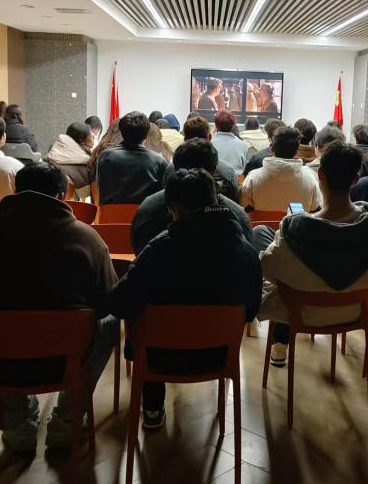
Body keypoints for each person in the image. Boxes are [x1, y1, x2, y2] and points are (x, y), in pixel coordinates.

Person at [0, 163, 119, 452]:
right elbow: (107, 300)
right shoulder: (86, 239)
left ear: (15, 190)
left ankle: (16, 423)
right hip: (66, 360)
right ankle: (68, 418)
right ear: (61, 195)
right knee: (108, 323)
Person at [105, 169, 262, 428]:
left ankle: (153, 409)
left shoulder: (158, 250)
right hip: (219, 355)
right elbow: (251, 310)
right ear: (216, 201)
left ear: (174, 209)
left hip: (158, 358)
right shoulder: (245, 250)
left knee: (145, 317)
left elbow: (120, 303)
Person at [258, 142, 368, 366]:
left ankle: (280, 344)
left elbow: (269, 270)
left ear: (320, 174)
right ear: (355, 179)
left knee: (262, 236)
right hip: (354, 310)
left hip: (300, 312)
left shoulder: (295, 227)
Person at [133, 140, 253, 253]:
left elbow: (139, 251)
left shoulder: (149, 208)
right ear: (213, 171)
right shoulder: (237, 214)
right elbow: (248, 257)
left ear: (175, 168)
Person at [241, 126, 322, 213]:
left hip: (261, 222)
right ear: (296, 152)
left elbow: (244, 206)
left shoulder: (253, 178)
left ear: (272, 151)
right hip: (297, 222)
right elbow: (316, 208)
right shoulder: (310, 179)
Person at [97, 112, 169, 205]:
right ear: (146, 136)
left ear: (121, 133)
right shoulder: (159, 161)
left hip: (109, 213)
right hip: (145, 213)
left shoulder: (105, 156)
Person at [163, 115, 239, 201]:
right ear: (209, 137)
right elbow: (234, 198)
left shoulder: (170, 170)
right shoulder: (227, 172)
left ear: (184, 139)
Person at [46, 121, 95, 195]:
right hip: (66, 200)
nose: (93, 138)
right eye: (92, 136)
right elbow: (83, 193)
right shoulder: (83, 163)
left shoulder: (53, 151)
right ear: (81, 141)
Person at [211, 110, 249, 175]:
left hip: (213, 180)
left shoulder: (210, 143)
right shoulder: (242, 145)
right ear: (233, 125)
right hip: (236, 179)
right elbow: (245, 168)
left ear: (216, 126)